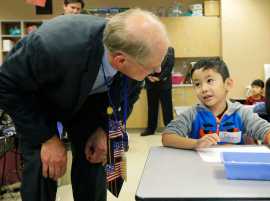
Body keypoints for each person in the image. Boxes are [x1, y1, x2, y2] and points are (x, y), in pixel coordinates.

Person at [0, 9, 169, 201]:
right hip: (40, 101)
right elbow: (7, 85)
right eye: (151, 67)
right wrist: (47, 138)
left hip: (91, 99)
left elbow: (128, 94)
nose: (158, 70)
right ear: (120, 60)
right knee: (44, 165)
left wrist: (104, 130)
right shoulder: (53, 46)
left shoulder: (133, 50)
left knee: (96, 155)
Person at [162, 58, 270, 151]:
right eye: (197, 84)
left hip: (235, 171)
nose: (203, 88)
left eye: (210, 81)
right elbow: (167, 137)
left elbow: (266, 130)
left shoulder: (241, 113)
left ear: (228, 84)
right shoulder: (192, 114)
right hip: (200, 170)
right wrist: (195, 143)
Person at [140, 47, 174, 136]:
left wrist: (159, 78)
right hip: (151, 83)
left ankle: (170, 130)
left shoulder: (169, 50)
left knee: (167, 108)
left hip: (164, 84)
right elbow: (144, 64)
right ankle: (150, 129)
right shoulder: (148, 49)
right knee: (151, 108)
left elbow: (169, 66)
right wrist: (148, 76)